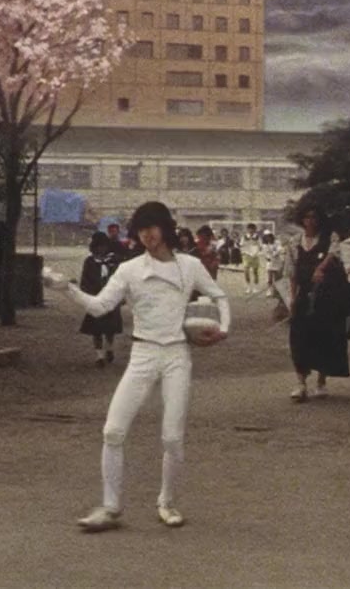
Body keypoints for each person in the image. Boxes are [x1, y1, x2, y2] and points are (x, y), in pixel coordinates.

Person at [45, 201, 230, 532]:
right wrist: (67, 289)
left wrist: (223, 330)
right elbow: (99, 306)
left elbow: (219, 296)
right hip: (143, 354)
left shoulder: (189, 266)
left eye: (152, 227)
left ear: (165, 228)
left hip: (177, 355)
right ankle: (110, 507)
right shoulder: (129, 270)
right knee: (112, 431)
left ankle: (167, 502)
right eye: (141, 229)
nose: (147, 234)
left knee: (172, 437)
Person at [285, 203, 350, 401]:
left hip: (326, 297)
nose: (310, 221)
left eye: (314, 217)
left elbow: (333, 255)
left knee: (324, 337)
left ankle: (321, 381)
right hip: (304, 296)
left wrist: (321, 268)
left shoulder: (330, 238)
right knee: (299, 338)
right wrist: (292, 298)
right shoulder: (294, 242)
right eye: (307, 217)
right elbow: (292, 272)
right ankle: (301, 383)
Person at [80, 232, 124, 367]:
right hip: (95, 297)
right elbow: (85, 280)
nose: (102, 249)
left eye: (104, 246)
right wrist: (87, 295)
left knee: (110, 328)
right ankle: (99, 356)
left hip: (111, 298)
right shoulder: (89, 261)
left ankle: (109, 348)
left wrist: (120, 295)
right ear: (94, 247)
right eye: (99, 246)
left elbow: (121, 280)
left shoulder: (114, 260)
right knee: (96, 329)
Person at [240, 223, 262, 295]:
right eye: (249, 229)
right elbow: (241, 245)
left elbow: (260, 246)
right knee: (246, 271)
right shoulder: (244, 237)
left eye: (253, 229)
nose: (251, 230)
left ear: (255, 230)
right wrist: (244, 251)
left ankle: (255, 287)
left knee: (255, 272)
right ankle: (248, 287)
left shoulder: (257, 237)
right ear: (247, 229)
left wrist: (256, 251)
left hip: (255, 256)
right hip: (247, 255)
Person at [259, 230, 281, 297]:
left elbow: (279, 249)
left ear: (271, 236)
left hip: (277, 262)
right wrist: (267, 257)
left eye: (269, 236)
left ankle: (276, 291)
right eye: (266, 237)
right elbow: (265, 253)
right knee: (269, 278)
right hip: (269, 263)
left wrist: (274, 253)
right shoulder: (265, 245)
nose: (268, 238)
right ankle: (269, 290)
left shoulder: (277, 242)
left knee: (277, 278)